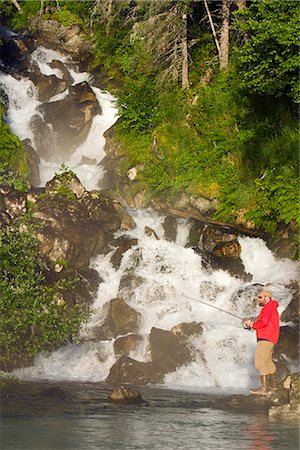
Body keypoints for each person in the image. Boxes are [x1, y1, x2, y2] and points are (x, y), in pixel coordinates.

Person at [244, 290, 280, 395]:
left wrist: (253, 325)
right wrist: (253, 324)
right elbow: (264, 323)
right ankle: (273, 387)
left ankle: (264, 389)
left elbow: (263, 322)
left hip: (265, 338)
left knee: (259, 363)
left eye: (260, 297)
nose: (259, 299)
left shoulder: (268, 307)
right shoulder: (272, 307)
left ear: (267, 298)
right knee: (268, 361)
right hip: (271, 338)